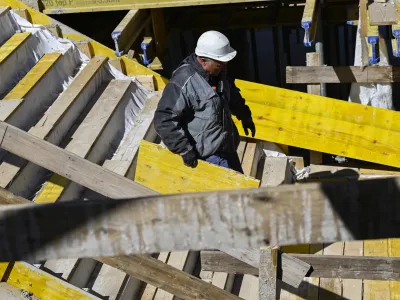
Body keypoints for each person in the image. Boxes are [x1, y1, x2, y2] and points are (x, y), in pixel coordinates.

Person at [154, 30, 255, 174]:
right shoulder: (183, 82)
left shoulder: (219, 73)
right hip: (208, 155)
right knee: (230, 194)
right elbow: (163, 119)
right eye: (220, 63)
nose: (225, 67)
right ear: (203, 61)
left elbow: (231, 93)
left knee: (241, 189)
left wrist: (245, 115)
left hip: (227, 145)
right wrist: (184, 149)